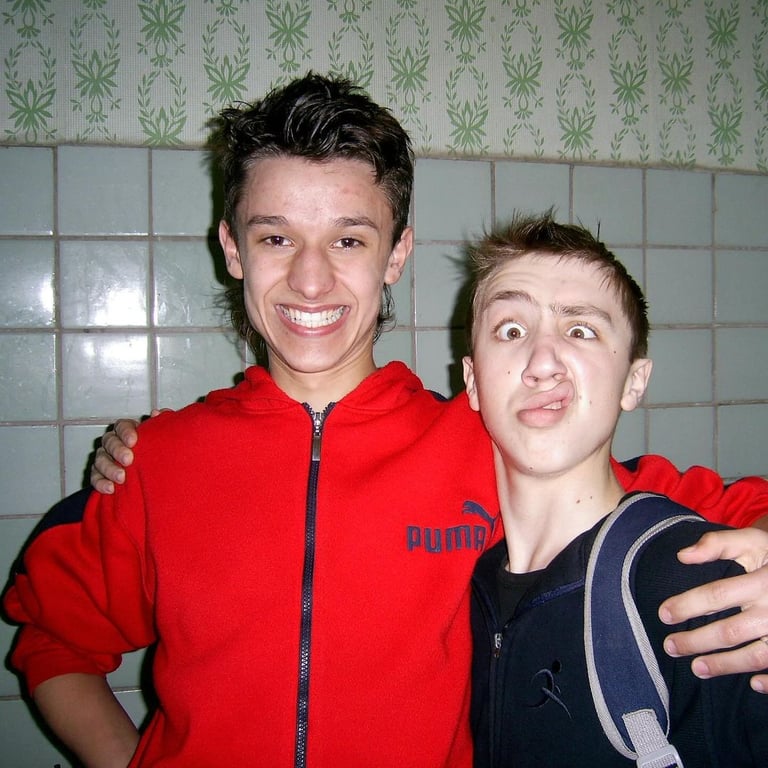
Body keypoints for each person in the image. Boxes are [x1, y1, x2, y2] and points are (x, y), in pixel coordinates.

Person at [3, 73, 768, 768]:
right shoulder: (162, 459)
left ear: (396, 254)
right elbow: (53, 640)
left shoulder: (484, 442)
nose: (310, 278)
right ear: (232, 248)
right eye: (276, 238)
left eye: (348, 239)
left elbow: (703, 511)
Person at [463, 212, 768, 766]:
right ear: (472, 381)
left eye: (580, 330)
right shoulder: (475, 590)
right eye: (511, 330)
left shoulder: (700, 588)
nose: (542, 363)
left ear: (633, 381)